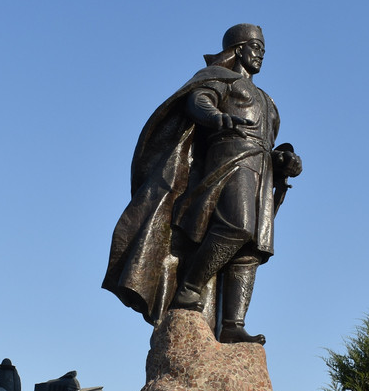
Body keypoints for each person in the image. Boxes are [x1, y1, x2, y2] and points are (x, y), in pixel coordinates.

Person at [102, 24, 302, 344]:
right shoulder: (219, 78)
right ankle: (190, 288)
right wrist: (216, 117)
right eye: (255, 46)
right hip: (229, 160)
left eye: (263, 48)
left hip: (261, 170)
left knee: (250, 248)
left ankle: (232, 324)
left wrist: (285, 161)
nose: (261, 53)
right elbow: (198, 101)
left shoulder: (267, 100)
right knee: (236, 226)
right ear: (238, 49)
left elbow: (270, 143)